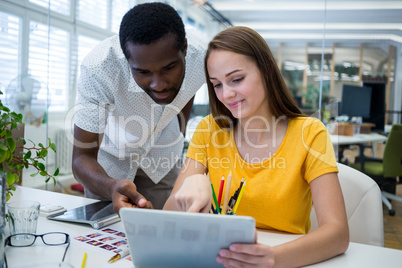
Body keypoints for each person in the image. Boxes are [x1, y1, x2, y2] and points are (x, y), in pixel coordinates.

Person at [163, 26, 349, 267]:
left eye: (237, 79)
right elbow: (168, 219)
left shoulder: (309, 133)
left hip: (283, 259)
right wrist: (189, 185)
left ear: (267, 70)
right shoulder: (210, 130)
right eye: (217, 84)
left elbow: (338, 234)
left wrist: (272, 258)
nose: (226, 94)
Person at [72, 2, 207, 212]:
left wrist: (179, 132)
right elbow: (82, 157)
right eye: (143, 72)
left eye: (169, 67)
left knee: (165, 228)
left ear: (185, 49)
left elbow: (192, 86)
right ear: (127, 60)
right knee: (105, 237)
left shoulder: (204, 55)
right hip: (110, 163)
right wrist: (111, 187)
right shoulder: (98, 69)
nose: (159, 84)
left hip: (164, 156)